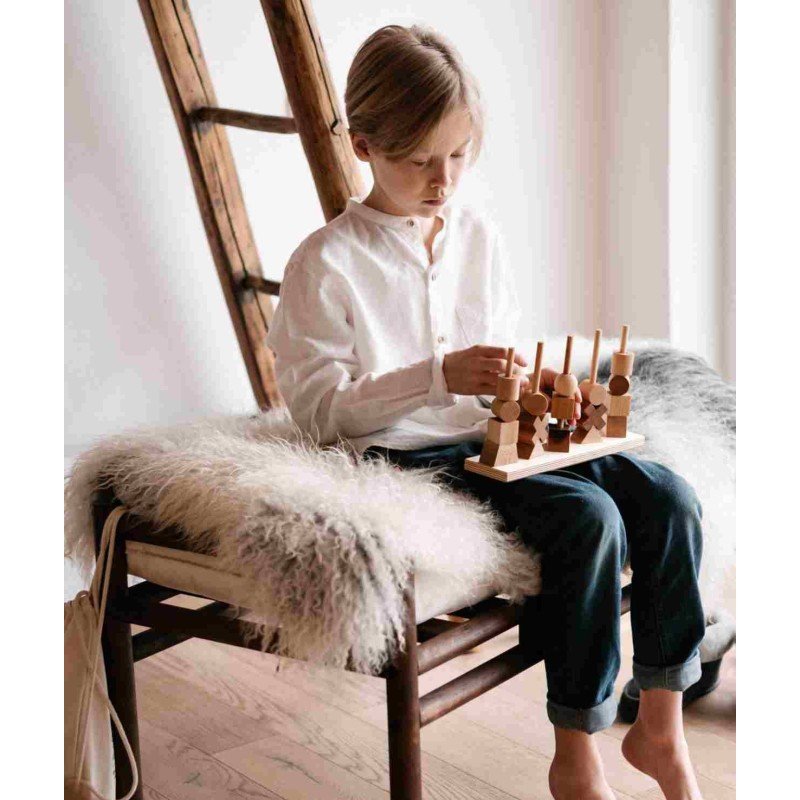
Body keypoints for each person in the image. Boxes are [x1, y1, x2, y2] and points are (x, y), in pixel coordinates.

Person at [265, 24, 706, 800]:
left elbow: (495, 361)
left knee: (669, 496)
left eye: (459, 154)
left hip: (493, 439)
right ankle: (577, 755)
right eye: (419, 160)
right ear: (363, 145)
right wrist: (434, 376)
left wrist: (534, 394)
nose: (444, 178)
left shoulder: (477, 237)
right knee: (588, 518)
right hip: (403, 458)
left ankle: (660, 726)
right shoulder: (325, 263)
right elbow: (319, 415)